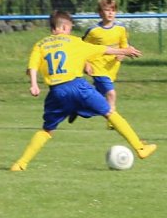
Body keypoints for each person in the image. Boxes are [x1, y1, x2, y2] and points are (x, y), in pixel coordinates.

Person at [10, 11, 157, 171]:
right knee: (109, 112)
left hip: (57, 92)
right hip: (78, 87)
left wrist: (34, 85)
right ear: (65, 27)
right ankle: (140, 149)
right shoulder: (74, 41)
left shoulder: (40, 45)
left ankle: (20, 164)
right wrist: (125, 51)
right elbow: (104, 49)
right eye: (70, 28)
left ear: (53, 28)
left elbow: (32, 66)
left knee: (47, 130)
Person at [81, 0, 128, 118]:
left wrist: (122, 54)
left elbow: (124, 46)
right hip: (97, 68)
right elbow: (82, 48)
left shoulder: (121, 29)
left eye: (113, 10)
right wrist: (86, 64)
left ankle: (79, 109)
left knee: (98, 98)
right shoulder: (93, 31)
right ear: (100, 13)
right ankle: (112, 120)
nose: (110, 13)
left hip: (111, 69)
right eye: (107, 10)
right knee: (111, 94)